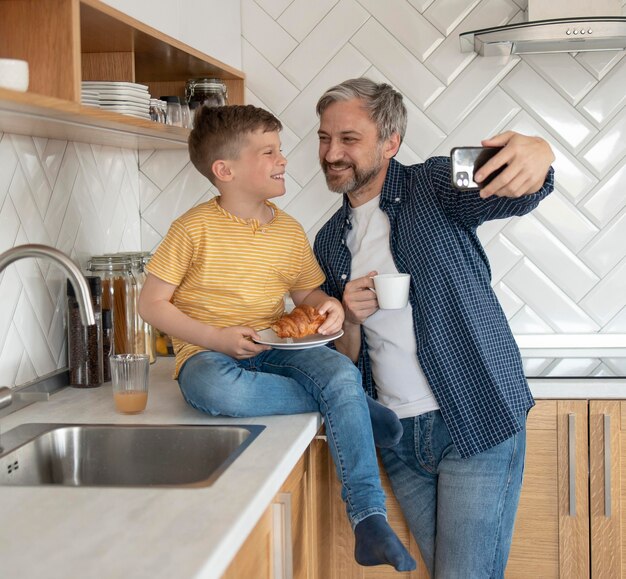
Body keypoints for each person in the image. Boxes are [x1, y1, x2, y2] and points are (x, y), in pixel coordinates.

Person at [138, 104, 416, 572]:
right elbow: (151, 305)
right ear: (225, 171)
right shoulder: (193, 229)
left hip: (278, 350)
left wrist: (326, 305)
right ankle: (349, 403)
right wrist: (217, 338)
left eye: (281, 149)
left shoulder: (286, 230)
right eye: (269, 152)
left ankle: (369, 519)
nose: (284, 159)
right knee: (216, 389)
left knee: (339, 370)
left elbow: (305, 291)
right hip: (210, 354)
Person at [312, 78, 556, 578]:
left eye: (349, 139)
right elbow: (344, 359)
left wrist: (539, 154)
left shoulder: (435, 186)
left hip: (474, 416)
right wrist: (349, 317)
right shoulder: (328, 242)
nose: (332, 153)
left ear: (390, 143)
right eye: (324, 138)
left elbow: (512, 191)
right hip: (398, 437)